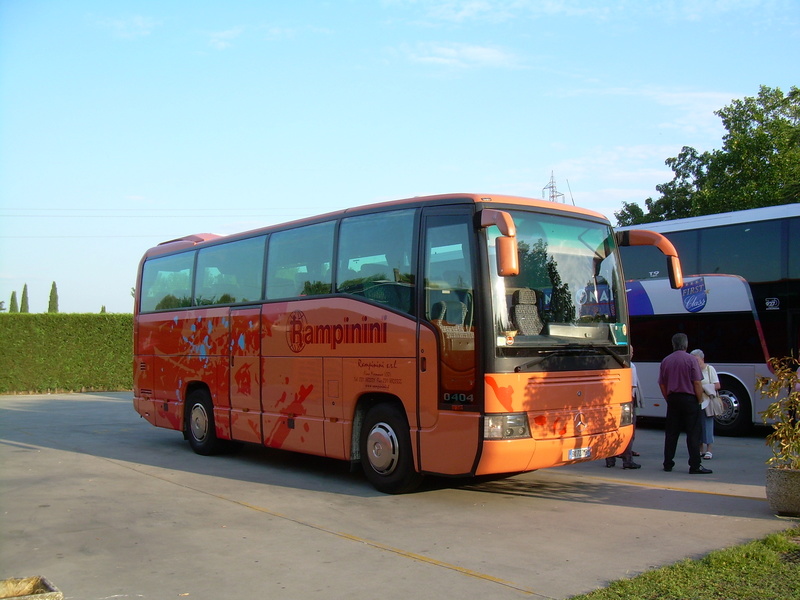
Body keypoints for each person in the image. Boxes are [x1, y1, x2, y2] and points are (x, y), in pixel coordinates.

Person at [658, 333, 712, 474]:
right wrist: (699, 399)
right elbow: (697, 382)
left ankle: (668, 463)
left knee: (671, 433)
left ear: (673, 344)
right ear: (686, 344)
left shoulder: (666, 361)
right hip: (689, 400)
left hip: (673, 399)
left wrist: (668, 398)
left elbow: (662, 384)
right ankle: (694, 465)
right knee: (693, 434)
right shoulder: (691, 360)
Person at [605, 347, 641, 469]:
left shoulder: (610, 364)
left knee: (611, 431)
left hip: (611, 402)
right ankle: (627, 460)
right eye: (630, 351)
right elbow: (632, 387)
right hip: (626, 402)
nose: (632, 353)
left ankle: (610, 459)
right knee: (628, 431)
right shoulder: (631, 366)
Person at [691, 349, 720, 460]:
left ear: (702, 359)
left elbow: (717, 385)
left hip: (707, 401)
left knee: (707, 425)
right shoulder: (692, 370)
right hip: (696, 401)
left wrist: (702, 388)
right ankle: (700, 449)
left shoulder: (709, 369)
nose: (695, 362)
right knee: (697, 426)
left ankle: (709, 450)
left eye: (697, 360)